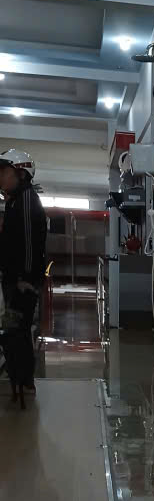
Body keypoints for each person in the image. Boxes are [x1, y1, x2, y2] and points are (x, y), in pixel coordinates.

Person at [0, 149, 47, 397]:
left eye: (4, 173)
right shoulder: (15, 201)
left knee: (18, 332)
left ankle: (24, 382)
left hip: (22, 283)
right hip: (13, 280)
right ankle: (18, 379)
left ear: (21, 174)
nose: (1, 178)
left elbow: (29, 243)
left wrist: (25, 279)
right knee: (12, 330)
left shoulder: (27, 200)